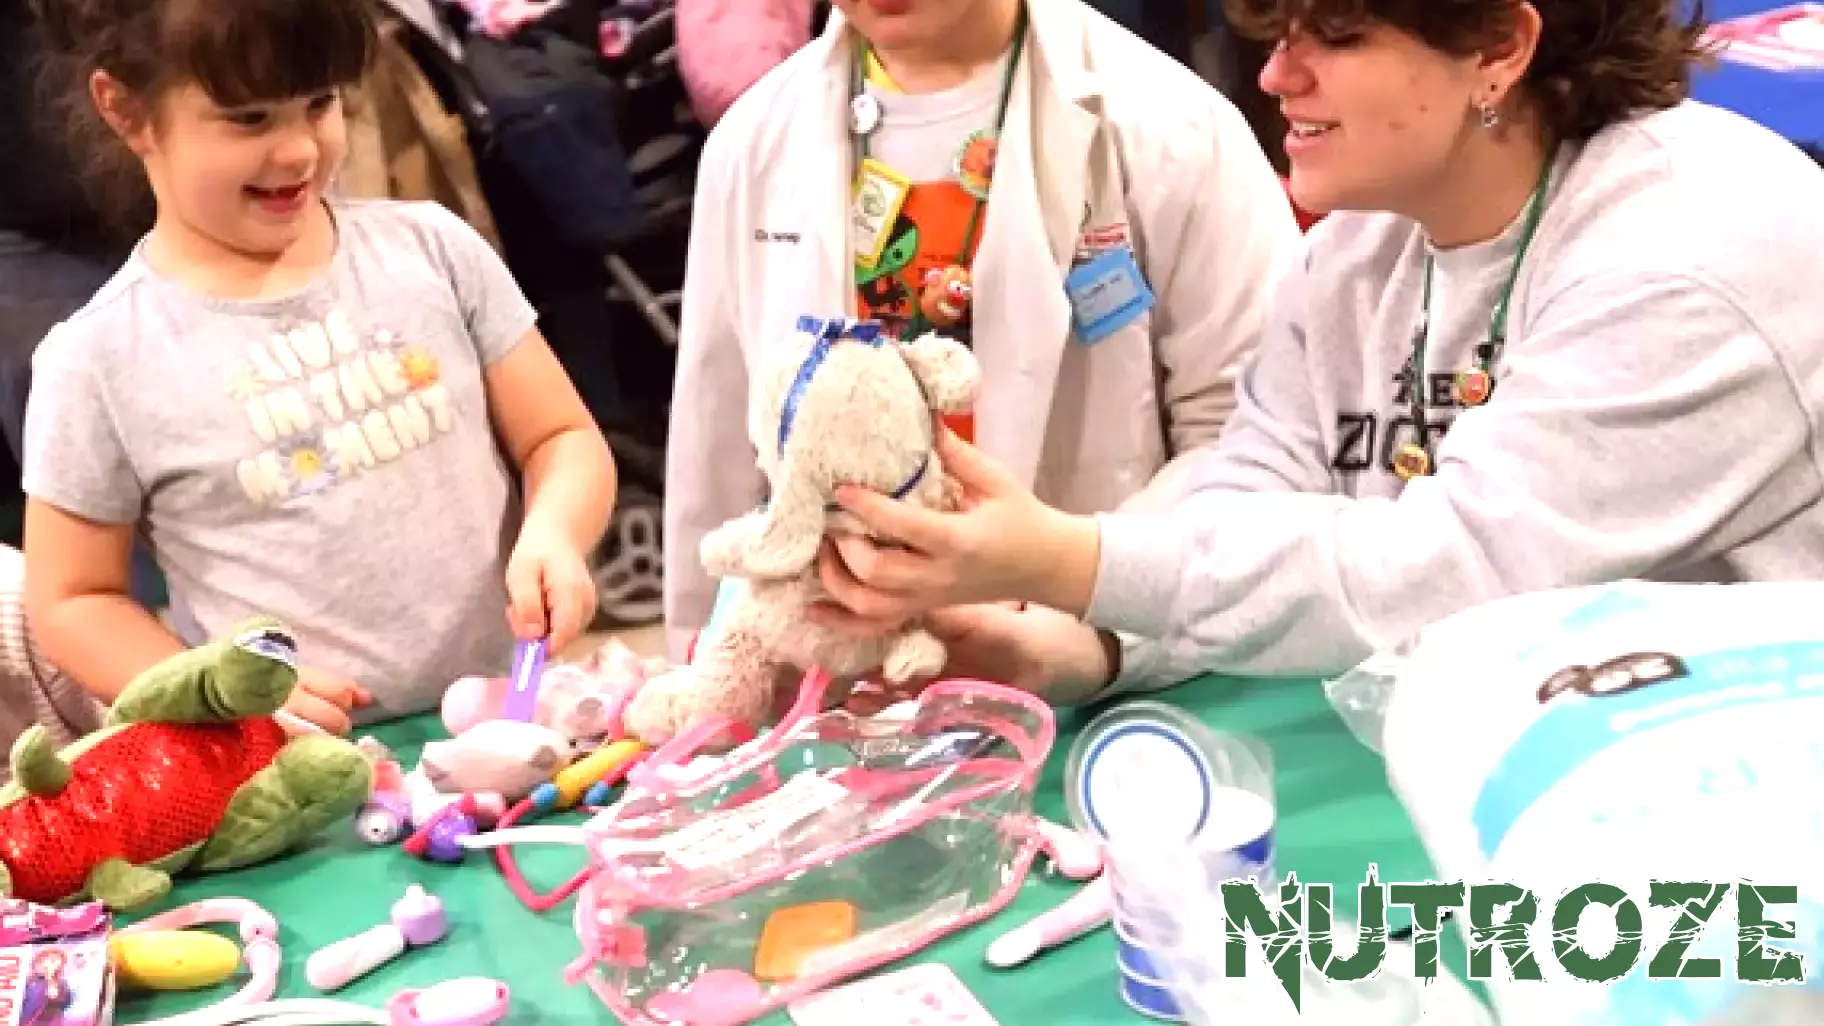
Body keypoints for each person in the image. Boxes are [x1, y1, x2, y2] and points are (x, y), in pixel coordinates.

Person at [803, 0, 1824, 705]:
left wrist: (1070, 561)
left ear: (1500, 45)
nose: (1276, 74)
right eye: (1281, 28)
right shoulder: (1354, 248)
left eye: (1334, 35)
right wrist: (1083, 647)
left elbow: (1449, 573)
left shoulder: (1691, 255)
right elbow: (1254, 495)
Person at [17, 0, 618, 736]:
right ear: (128, 110)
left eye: (320, 102)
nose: (300, 150)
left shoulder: (431, 249)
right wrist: (211, 690)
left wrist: (555, 531)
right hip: (306, 772)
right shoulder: (98, 360)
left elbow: (559, 436)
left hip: (514, 723)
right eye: (250, 118)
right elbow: (73, 599)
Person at [662, 0, 1302, 659]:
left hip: (1094, 673)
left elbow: (1251, 433)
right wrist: (700, 661)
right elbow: (717, 441)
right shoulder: (752, 144)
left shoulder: (1172, 127)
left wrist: (1093, 624)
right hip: (833, 683)